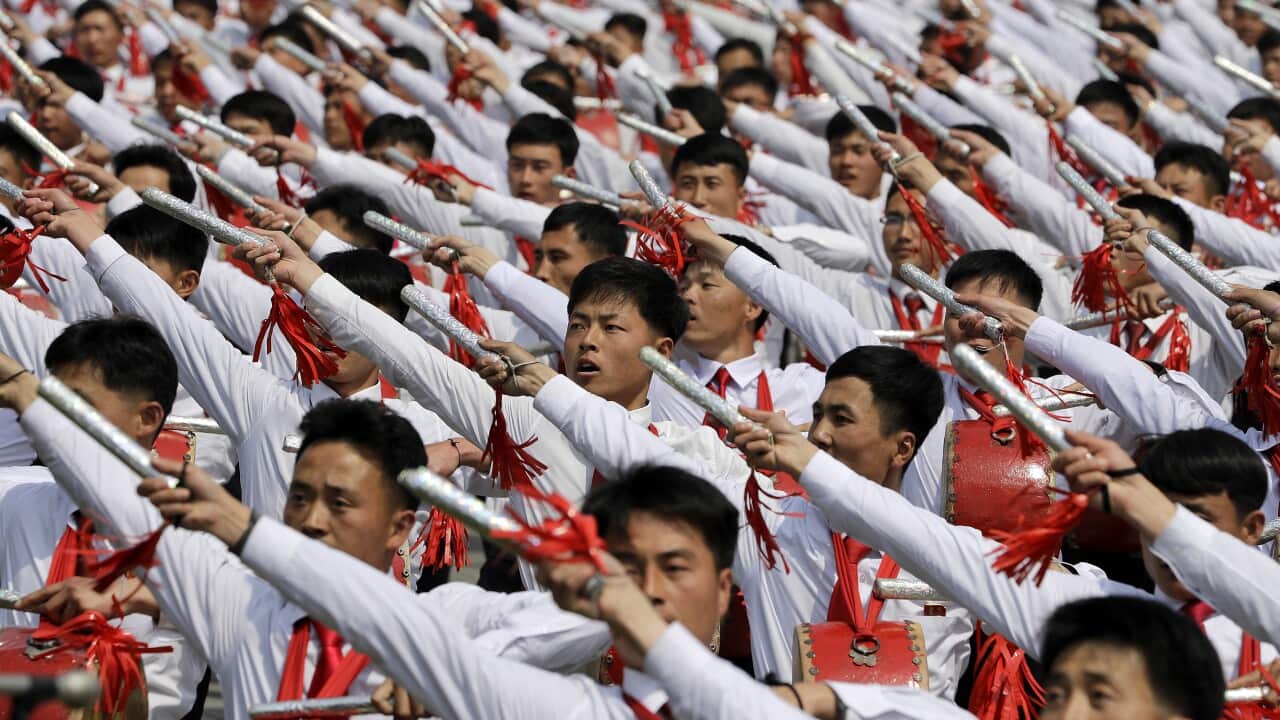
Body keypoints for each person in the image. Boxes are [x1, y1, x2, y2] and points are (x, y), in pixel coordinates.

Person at [0, 317, 206, 719]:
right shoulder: (15, 492)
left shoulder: (194, 531)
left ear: (147, 418)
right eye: (48, 402)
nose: (51, 421)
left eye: (73, 405)